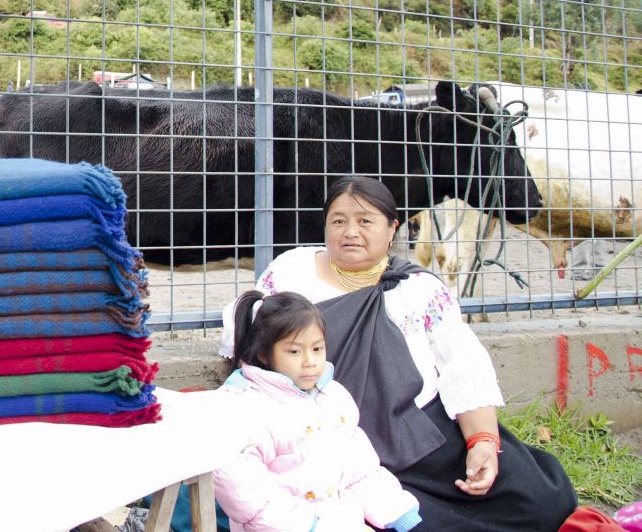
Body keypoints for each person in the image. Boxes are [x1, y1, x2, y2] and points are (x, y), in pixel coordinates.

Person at [225, 175, 576, 532]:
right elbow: (252, 343)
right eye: (339, 221)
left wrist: (481, 441)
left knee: (538, 497)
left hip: (423, 433)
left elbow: (463, 364)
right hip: (328, 439)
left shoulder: (419, 287)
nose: (350, 232)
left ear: (393, 228)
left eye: (365, 221)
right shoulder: (291, 271)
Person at [215, 289, 421, 532]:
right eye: (294, 351)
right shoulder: (243, 408)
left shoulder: (333, 396)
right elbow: (249, 496)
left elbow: (360, 469)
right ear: (264, 353)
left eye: (317, 349)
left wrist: (397, 511)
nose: (310, 361)